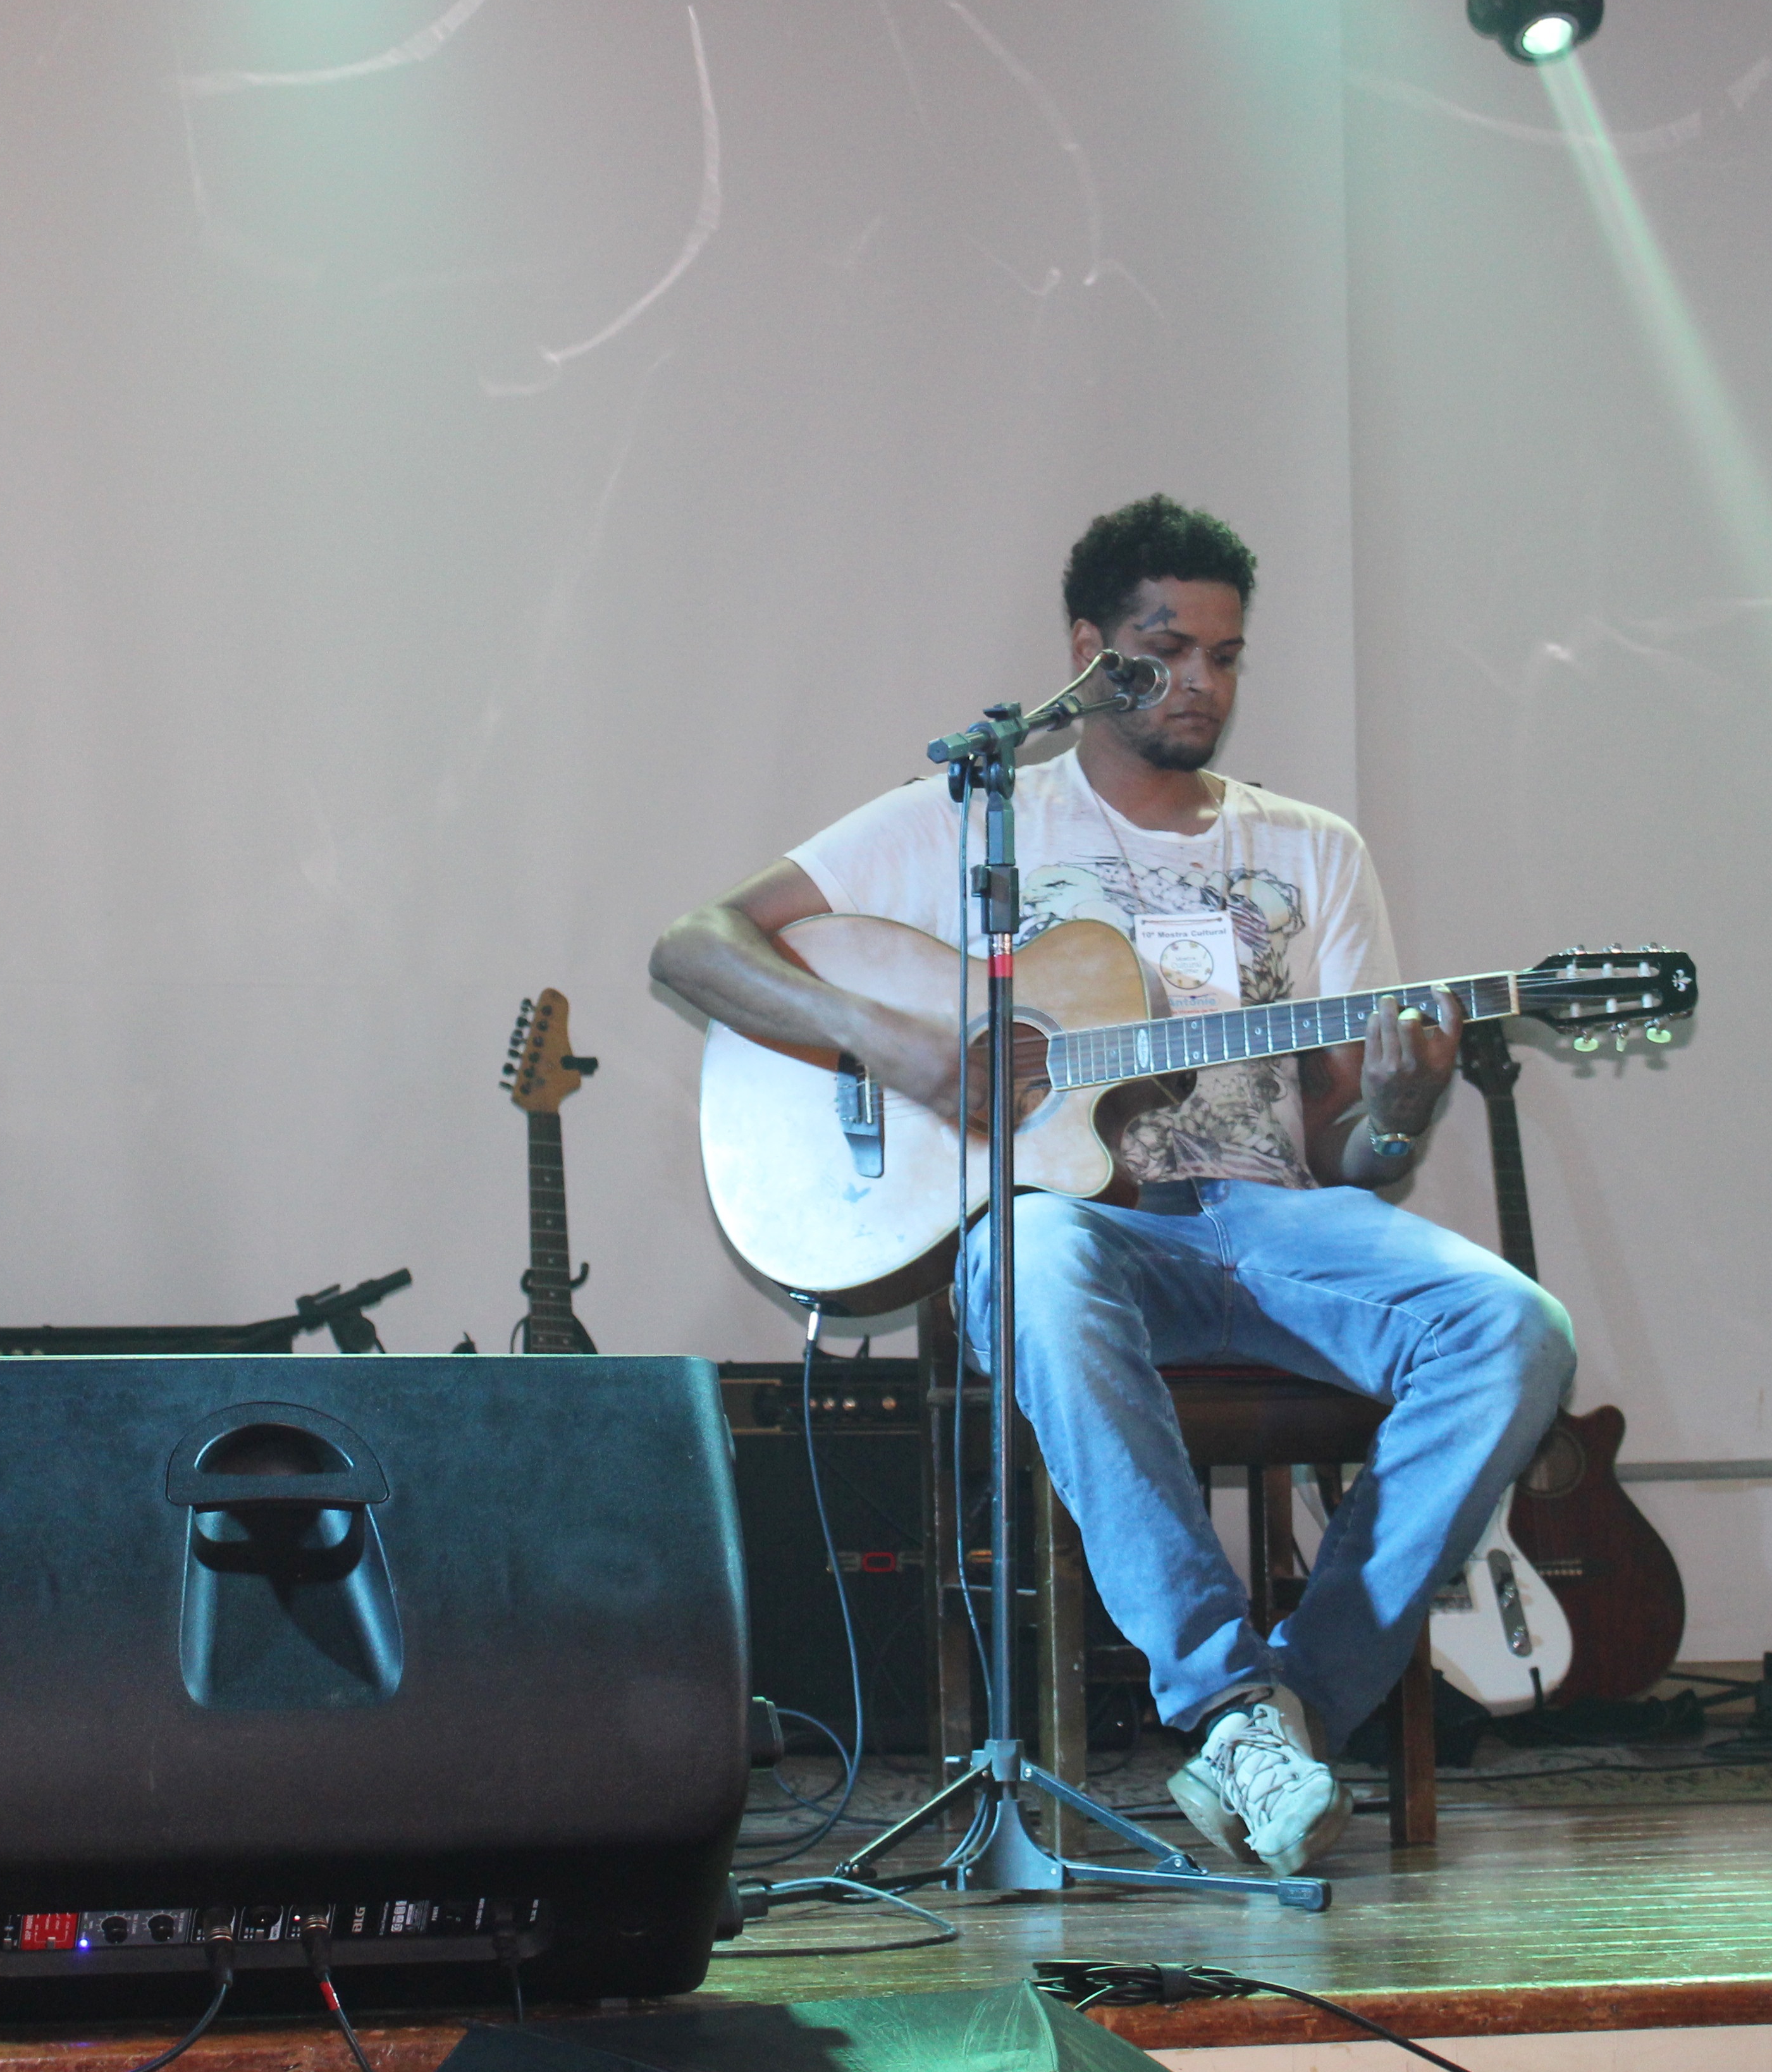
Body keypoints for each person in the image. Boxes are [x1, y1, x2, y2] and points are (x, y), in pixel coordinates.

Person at [651, 496, 1576, 1877]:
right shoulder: (978, 816)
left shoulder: (1312, 851)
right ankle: (1226, 1694)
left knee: (1516, 1331)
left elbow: (1351, 1154)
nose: (1201, 682)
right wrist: (898, 1042)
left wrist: (1401, 1106)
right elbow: (694, 946)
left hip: (1276, 1222)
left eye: (1226, 655)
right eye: (1167, 650)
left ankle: (1279, 1718)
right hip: (1083, 1234)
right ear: (1089, 652)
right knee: (1035, 1252)